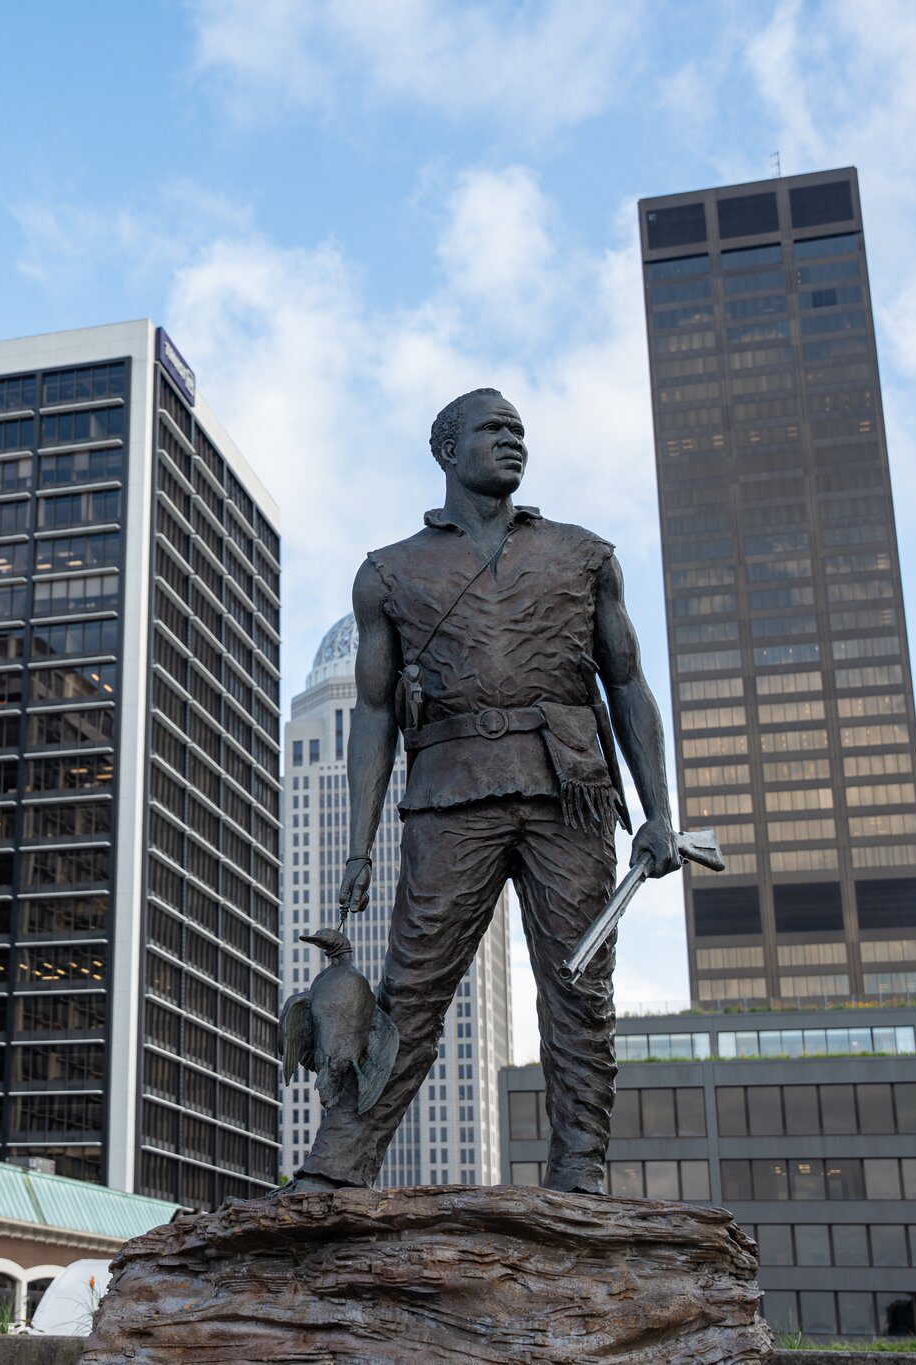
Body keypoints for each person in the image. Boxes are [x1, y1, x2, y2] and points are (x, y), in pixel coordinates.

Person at [288, 388, 678, 1196]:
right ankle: (339, 1162)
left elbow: (630, 684)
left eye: (520, 432)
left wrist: (658, 812)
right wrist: (359, 847)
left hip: (567, 792)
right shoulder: (389, 573)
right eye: (493, 430)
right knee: (411, 988)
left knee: (579, 986)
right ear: (447, 448)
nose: (513, 442)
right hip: (448, 795)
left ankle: (579, 1175)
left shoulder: (584, 555)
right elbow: (370, 717)